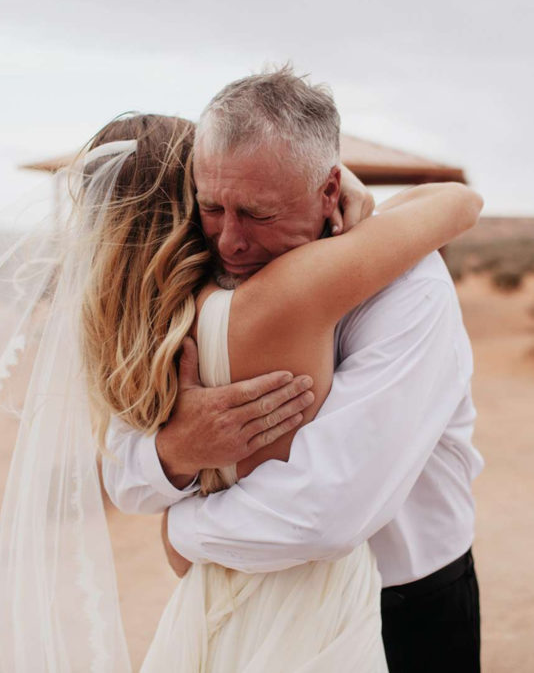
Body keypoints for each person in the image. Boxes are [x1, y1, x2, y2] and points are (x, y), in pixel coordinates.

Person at [102, 71, 484, 672]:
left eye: (257, 213)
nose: (230, 240)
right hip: (243, 607)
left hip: (405, 604)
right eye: (211, 207)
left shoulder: (411, 291)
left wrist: (182, 532)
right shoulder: (200, 281)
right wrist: (174, 451)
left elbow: (325, 511)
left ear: (329, 190)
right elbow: (121, 466)